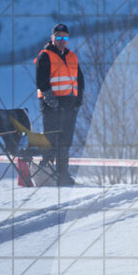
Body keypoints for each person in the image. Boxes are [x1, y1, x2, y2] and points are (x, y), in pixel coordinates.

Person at [35, 23, 84, 186]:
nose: (62, 40)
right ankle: (46, 176)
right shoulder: (45, 56)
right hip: (51, 105)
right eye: (59, 37)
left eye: (65, 37)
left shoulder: (72, 56)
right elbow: (41, 82)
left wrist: (78, 101)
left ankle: (63, 175)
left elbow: (79, 79)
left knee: (65, 141)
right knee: (51, 140)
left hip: (69, 105)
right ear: (52, 38)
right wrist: (52, 102)